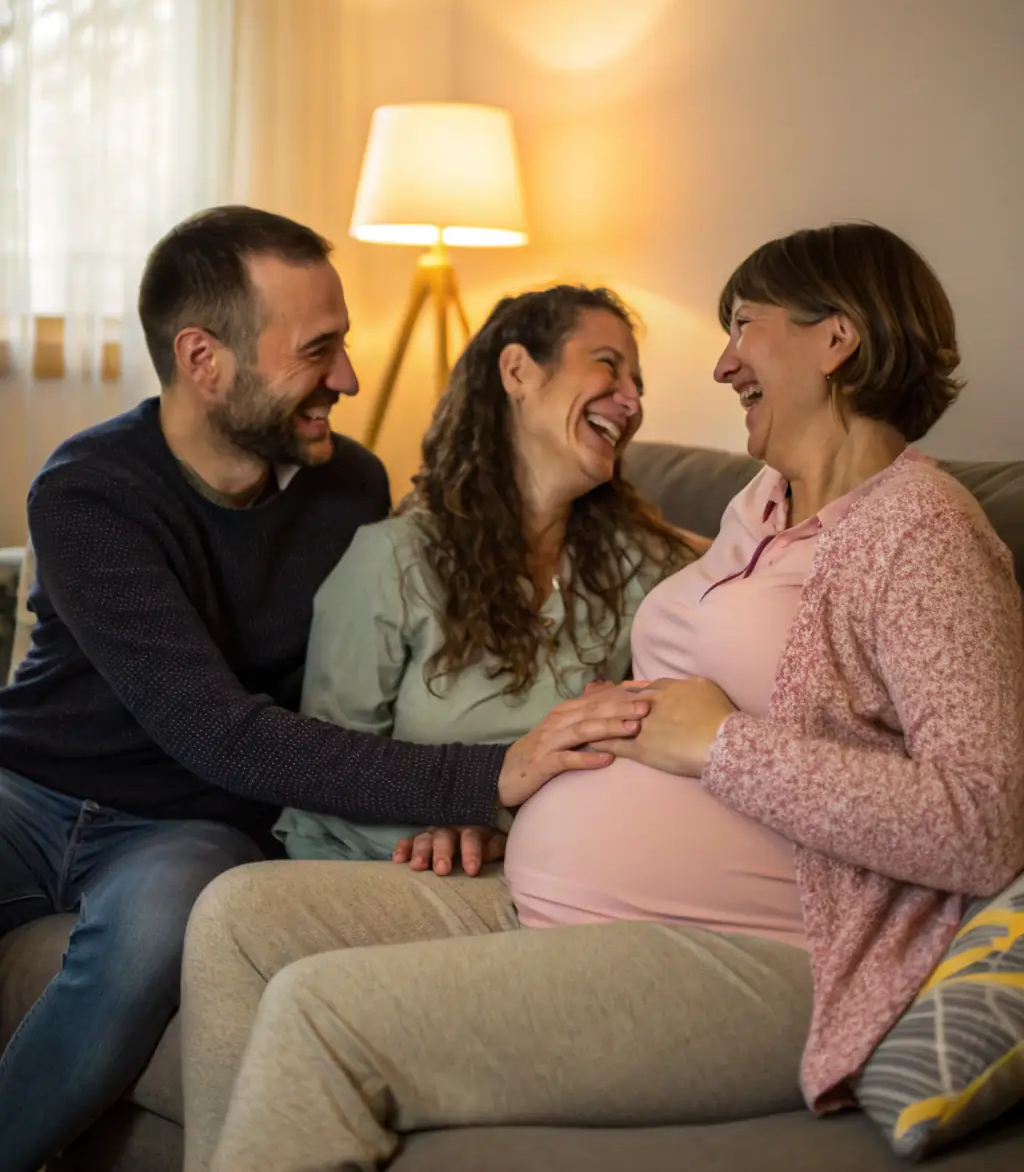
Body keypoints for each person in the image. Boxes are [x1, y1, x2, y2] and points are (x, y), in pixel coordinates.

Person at [181, 222, 1024, 1172]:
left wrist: (721, 743)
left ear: (838, 338)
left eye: (743, 324)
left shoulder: (923, 532)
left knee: (319, 1014)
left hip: (777, 948)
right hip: (562, 890)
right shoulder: (758, 510)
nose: (720, 363)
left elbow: (983, 822)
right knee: (238, 917)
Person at [0, 207, 647, 1172]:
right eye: (320, 349)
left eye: (344, 346)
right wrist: (481, 779)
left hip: (181, 830)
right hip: (30, 792)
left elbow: (375, 674)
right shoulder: (88, 490)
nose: (346, 377)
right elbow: (216, 729)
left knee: (163, 923)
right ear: (203, 358)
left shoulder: (349, 485)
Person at [274, 285, 696, 865]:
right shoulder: (394, 562)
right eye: (609, 367)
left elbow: (752, 579)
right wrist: (432, 830)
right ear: (518, 371)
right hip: (389, 865)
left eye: (638, 386)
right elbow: (324, 772)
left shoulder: (641, 564)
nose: (631, 401)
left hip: (565, 866)